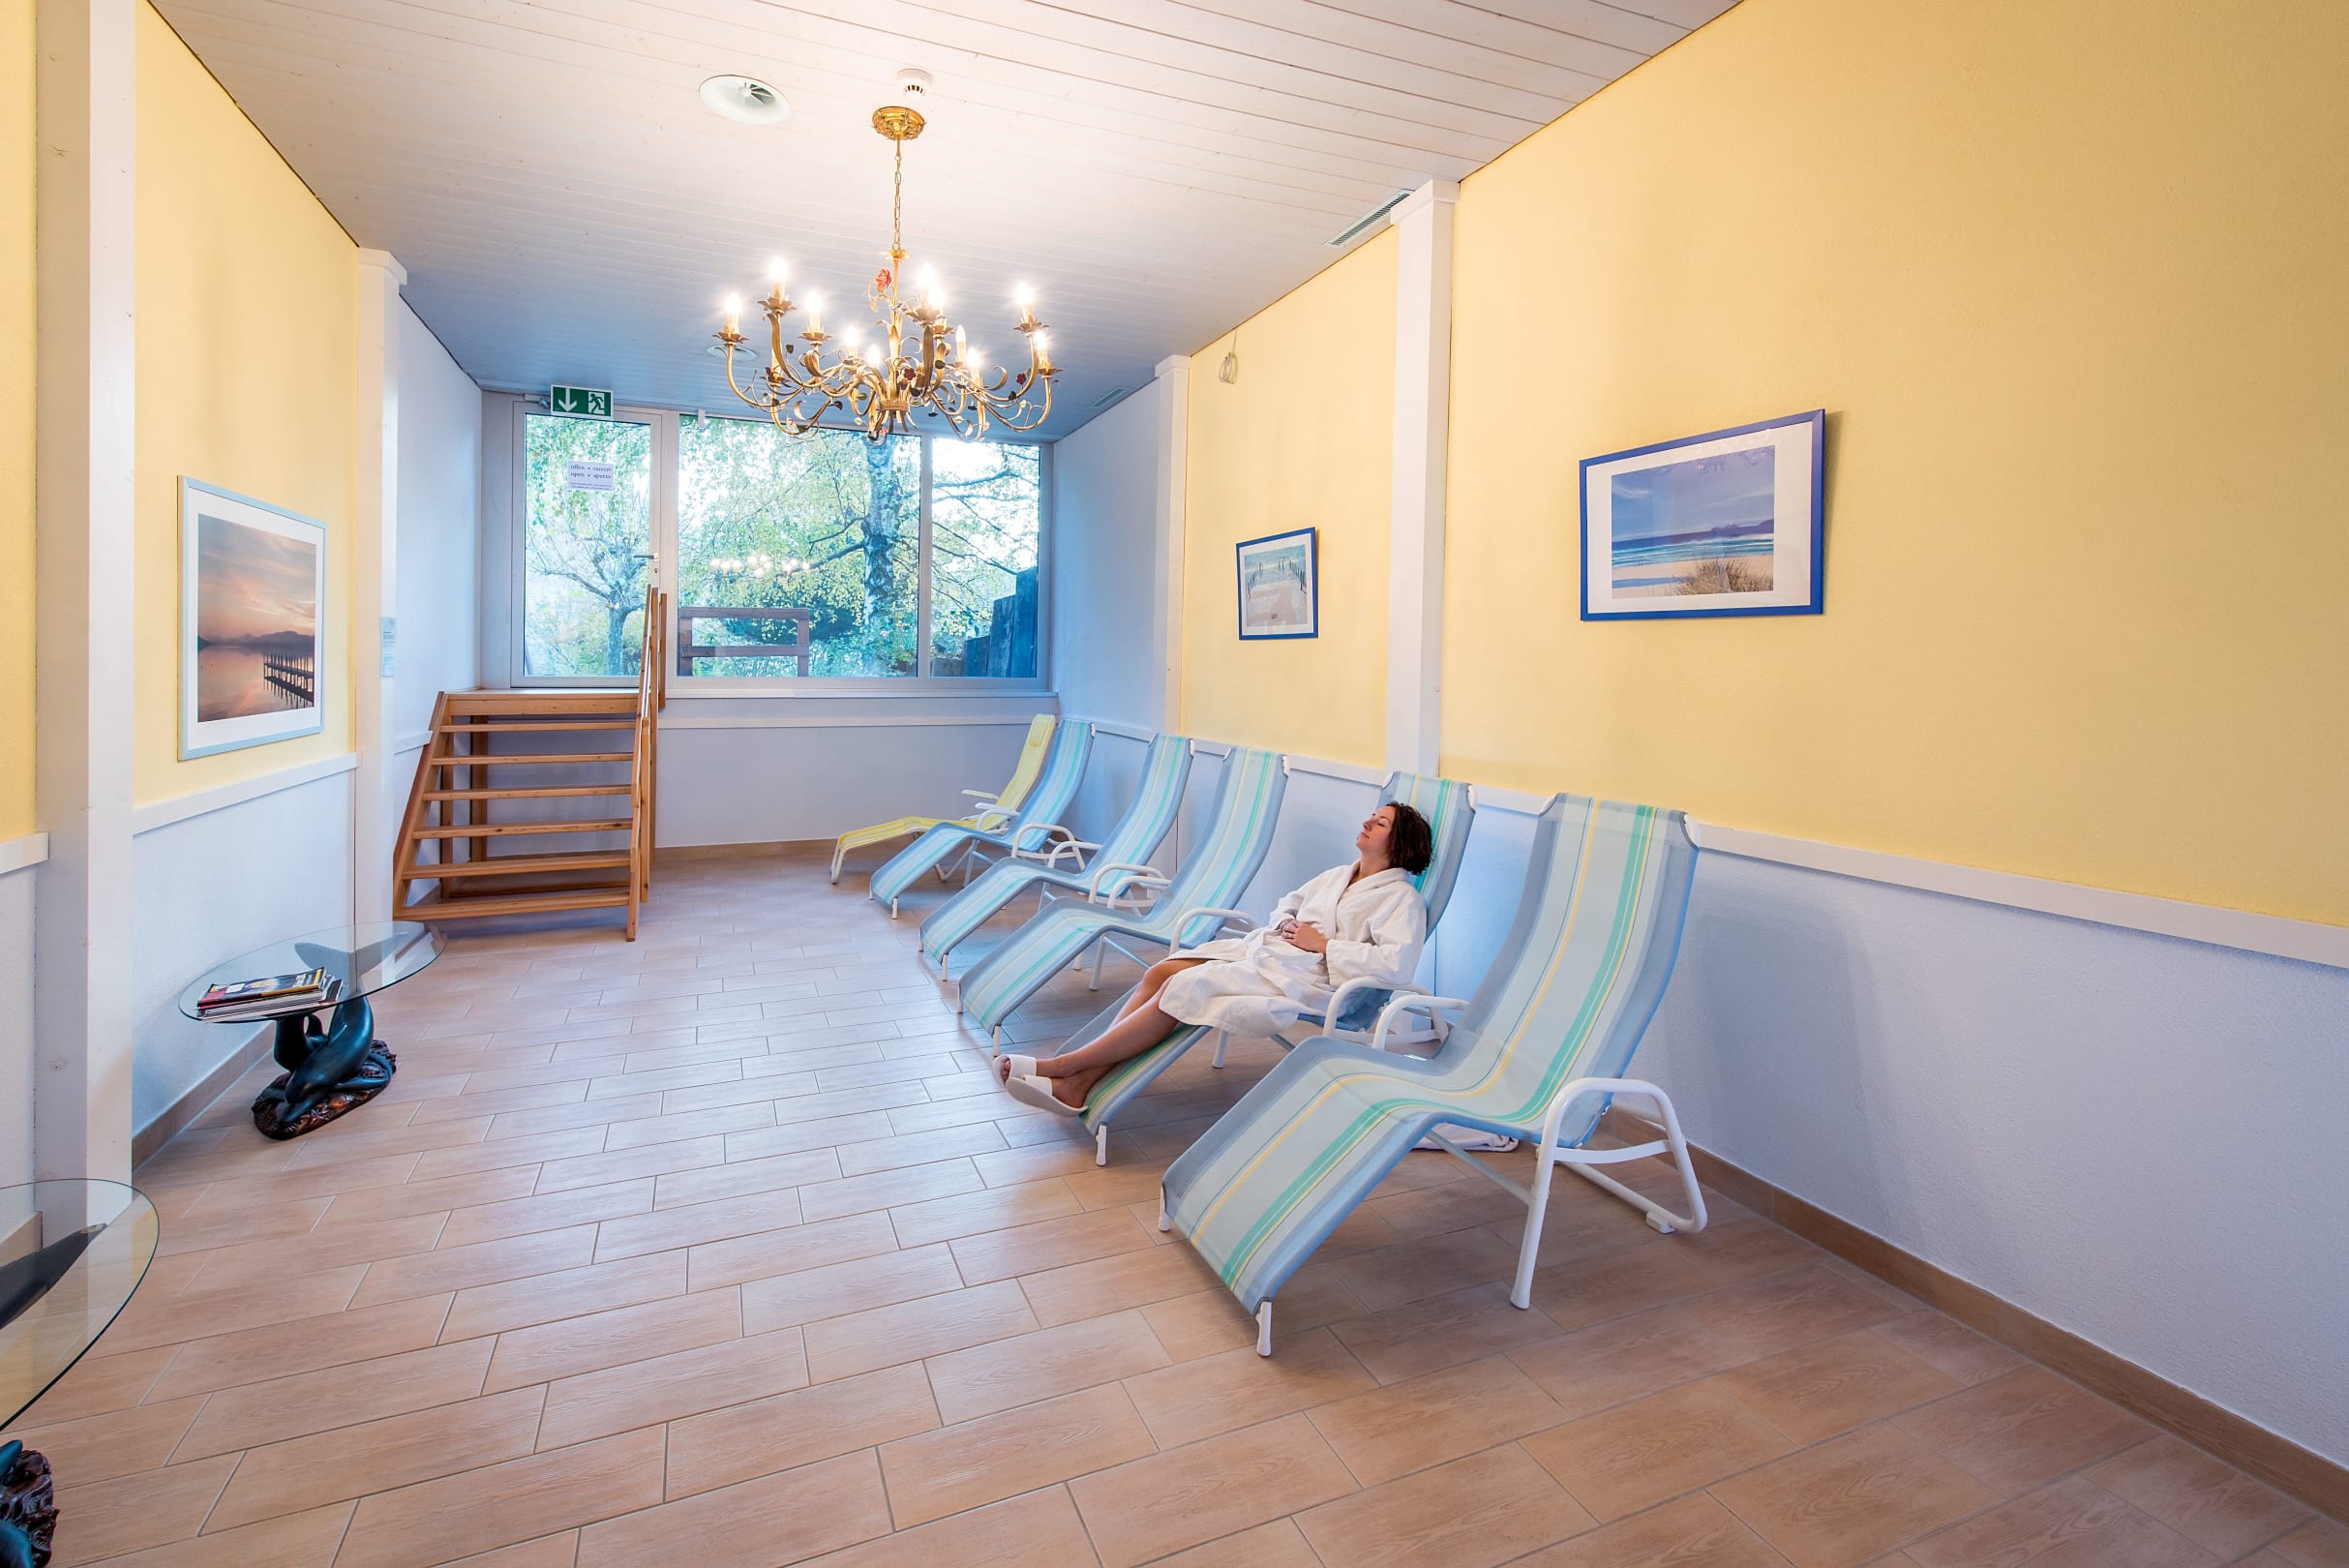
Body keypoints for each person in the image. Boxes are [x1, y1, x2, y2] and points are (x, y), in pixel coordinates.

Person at [994, 801, 1434, 1114]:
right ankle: (1080, 1082)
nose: (1366, 822)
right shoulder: (1338, 875)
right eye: (1371, 816)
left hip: (1309, 979)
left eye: (1380, 823)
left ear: (1399, 845)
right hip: (1270, 950)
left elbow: (1396, 966)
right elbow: (1288, 903)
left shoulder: (1401, 900)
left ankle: (1068, 1067)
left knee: (1182, 986)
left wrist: (1324, 946)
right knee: (1161, 971)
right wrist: (1287, 923)